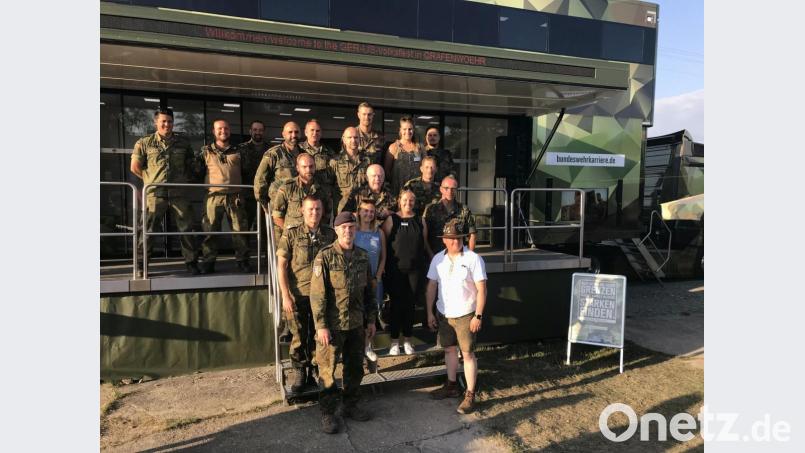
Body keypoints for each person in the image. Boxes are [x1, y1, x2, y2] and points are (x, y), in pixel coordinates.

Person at [310, 212, 378, 434]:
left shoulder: (362, 256)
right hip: (332, 326)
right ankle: (328, 413)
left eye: (351, 227)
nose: (348, 231)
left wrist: (370, 320)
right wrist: (321, 326)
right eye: (344, 228)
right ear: (336, 231)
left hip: (356, 324)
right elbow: (317, 296)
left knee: (355, 369)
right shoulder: (325, 257)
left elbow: (369, 292)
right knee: (327, 372)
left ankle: (350, 406)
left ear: (355, 230)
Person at [426, 218, 488, 414]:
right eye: (451, 239)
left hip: (466, 314)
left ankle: (470, 394)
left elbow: (482, 289)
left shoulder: (473, 259)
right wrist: (429, 312)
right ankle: (451, 386)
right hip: (444, 314)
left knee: (468, 354)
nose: (456, 242)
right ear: (444, 239)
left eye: (459, 238)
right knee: (449, 350)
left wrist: (478, 315)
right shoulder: (438, 259)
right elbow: (431, 286)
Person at [276, 196, 336, 393]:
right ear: (302, 210)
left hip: (322, 296)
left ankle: (319, 371)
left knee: (321, 335)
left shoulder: (329, 234)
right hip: (298, 294)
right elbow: (282, 266)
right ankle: (301, 373)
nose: (314, 213)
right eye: (310, 209)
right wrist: (285, 295)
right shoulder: (291, 234)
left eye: (318, 209)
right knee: (299, 337)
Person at [130, 108, 200, 275]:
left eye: (169, 121)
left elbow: (191, 165)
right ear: (156, 122)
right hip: (155, 194)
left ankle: (191, 263)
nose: (167, 124)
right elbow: (135, 167)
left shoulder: (183, 143)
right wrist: (150, 180)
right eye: (163, 121)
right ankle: (142, 265)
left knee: (187, 229)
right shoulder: (144, 142)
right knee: (147, 230)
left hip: (179, 193)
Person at [196, 119, 252, 274]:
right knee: (210, 230)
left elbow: (247, 172)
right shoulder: (205, 151)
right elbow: (196, 172)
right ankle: (208, 261)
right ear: (214, 131)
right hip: (213, 196)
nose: (223, 131)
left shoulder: (240, 150)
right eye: (219, 128)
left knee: (240, 230)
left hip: (236, 197)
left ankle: (242, 261)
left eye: (226, 128)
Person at [381, 189, 427, 356]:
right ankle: (394, 342)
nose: (408, 203)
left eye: (411, 200)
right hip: (395, 270)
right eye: (405, 200)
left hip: (415, 270)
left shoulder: (420, 220)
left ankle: (408, 340)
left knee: (410, 306)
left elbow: (424, 244)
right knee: (396, 306)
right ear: (399, 201)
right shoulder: (391, 220)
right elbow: (384, 243)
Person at [354, 199, 386, 361]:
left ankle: (368, 346)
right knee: (358, 314)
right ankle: (357, 348)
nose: (368, 214)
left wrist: (378, 276)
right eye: (365, 210)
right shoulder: (353, 231)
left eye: (372, 211)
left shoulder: (378, 232)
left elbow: (383, 256)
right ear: (359, 212)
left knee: (371, 314)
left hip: (374, 280)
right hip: (357, 281)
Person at [271, 153, 332, 231]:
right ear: (298, 168)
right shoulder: (287, 188)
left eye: (311, 166)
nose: (308, 170)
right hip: (293, 239)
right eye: (304, 167)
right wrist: (290, 233)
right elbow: (277, 216)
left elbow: (327, 214)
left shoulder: (323, 189)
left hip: (317, 236)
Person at [253, 121, 302, 216]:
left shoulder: (304, 154)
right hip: (279, 208)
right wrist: (265, 205)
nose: (294, 135)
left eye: (296, 132)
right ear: (283, 134)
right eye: (290, 132)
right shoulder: (273, 154)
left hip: (300, 208)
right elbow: (260, 180)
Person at [423, 175, 476, 258]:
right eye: (446, 188)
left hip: (458, 258)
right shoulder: (431, 209)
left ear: (456, 190)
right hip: (436, 257)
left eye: (453, 189)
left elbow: (472, 235)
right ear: (441, 189)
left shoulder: (464, 209)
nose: (450, 191)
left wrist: (469, 258)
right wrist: (432, 256)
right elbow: (424, 237)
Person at [239, 120, 270, 233]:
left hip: (265, 195)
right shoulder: (241, 149)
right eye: (255, 130)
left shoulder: (271, 150)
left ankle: (265, 251)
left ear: (264, 132)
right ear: (250, 131)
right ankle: (245, 251)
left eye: (260, 130)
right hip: (247, 194)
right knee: (245, 227)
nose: (258, 132)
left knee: (265, 227)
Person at [331, 127, 371, 214]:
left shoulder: (368, 160)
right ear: (344, 140)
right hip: (342, 209)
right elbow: (328, 186)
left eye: (356, 137)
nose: (353, 140)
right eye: (349, 137)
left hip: (363, 209)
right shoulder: (335, 162)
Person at [384, 116, 424, 195]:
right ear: (400, 130)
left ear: (414, 130)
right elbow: (387, 171)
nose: (408, 132)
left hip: (416, 191)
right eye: (404, 129)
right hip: (398, 191)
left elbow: (425, 168)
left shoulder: (420, 147)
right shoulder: (393, 147)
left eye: (410, 129)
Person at [300, 119, 336, 198]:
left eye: (317, 131)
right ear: (306, 132)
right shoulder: (298, 150)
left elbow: (334, 176)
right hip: (303, 194)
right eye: (312, 130)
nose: (315, 133)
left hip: (323, 196)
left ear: (321, 133)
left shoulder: (329, 152)